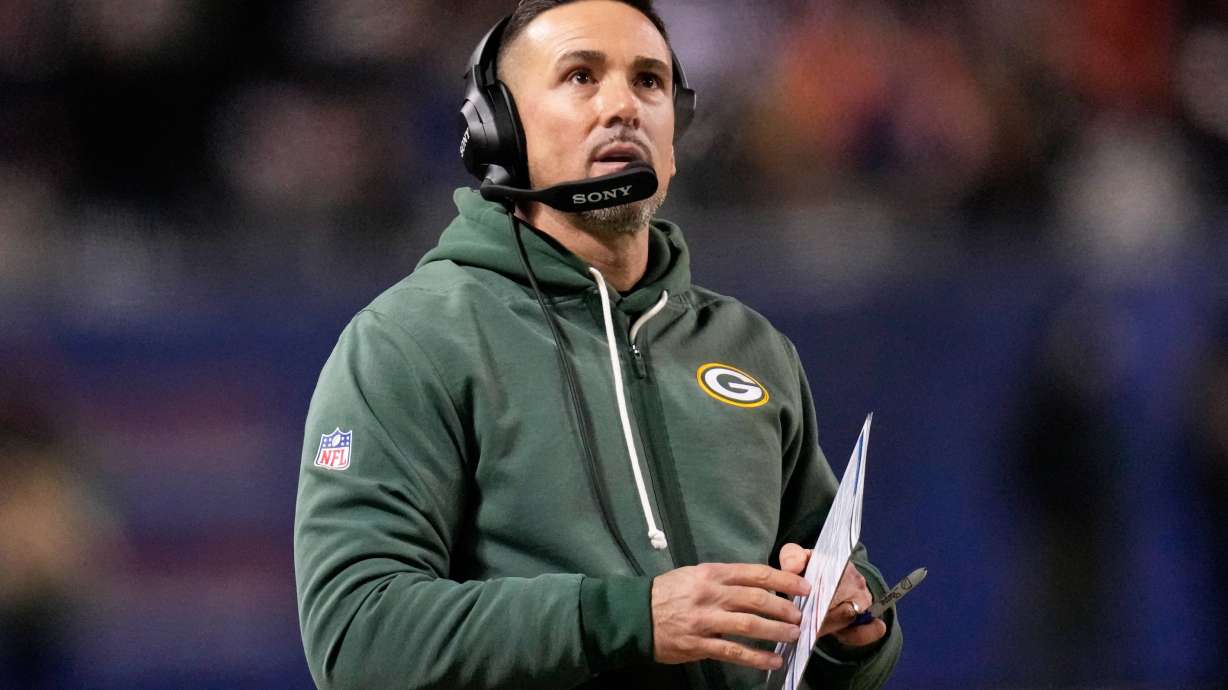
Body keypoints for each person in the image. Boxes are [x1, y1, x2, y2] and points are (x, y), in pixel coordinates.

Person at [294, 2, 903, 688]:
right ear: (498, 130)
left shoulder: (753, 349)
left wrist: (849, 631)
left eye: (649, 82)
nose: (623, 105)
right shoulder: (412, 341)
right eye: (581, 76)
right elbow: (357, 640)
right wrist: (629, 617)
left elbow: (820, 634)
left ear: (677, 134)